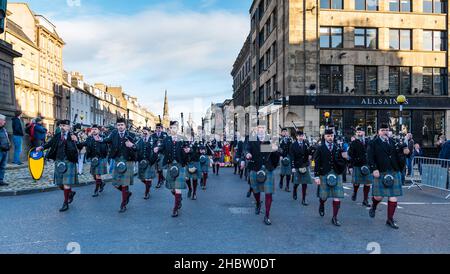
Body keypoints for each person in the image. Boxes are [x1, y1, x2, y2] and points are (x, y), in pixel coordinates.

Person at [367, 123, 409, 229]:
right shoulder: (373, 143)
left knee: (393, 196)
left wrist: (406, 149)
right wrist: (373, 169)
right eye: (382, 129)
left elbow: (402, 148)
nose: (385, 131)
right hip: (380, 171)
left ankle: (389, 219)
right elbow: (370, 157)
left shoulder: (393, 141)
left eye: (386, 129)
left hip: (394, 171)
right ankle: (374, 206)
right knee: (379, 196)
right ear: (378, 132)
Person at [36, 120, 79, 212]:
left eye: (65, 125)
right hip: (59, 161)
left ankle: (65, 203)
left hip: (69, 161)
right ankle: (70, 193)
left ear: (69, 127)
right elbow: (50, 143)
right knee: (59, 184)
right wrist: (42, 147)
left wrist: (76, 140)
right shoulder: (57, 136)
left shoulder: (73, 135)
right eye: (61, 125)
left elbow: (79, 146)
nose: (62, 127)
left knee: (66, 183)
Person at [97, 118, 137, 213]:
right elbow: (106, 140)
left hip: (128, 160)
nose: (120, 127)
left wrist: (132, 145)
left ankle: (123, 204)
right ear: (116, 126)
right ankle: (127, 194)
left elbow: (137, 147)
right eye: (118, 125)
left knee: (124, 184)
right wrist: (100, 139)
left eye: (122, 125)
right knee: (115, 183)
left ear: (125, 126)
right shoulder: (114, 134)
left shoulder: (131, 135)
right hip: (117, 160)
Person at [245, 124, 280, 225]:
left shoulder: (271, 139)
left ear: (265, 129)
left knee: (268, 193)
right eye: (259, 128)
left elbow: (277, 151)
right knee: (255, 190)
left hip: (267, 168)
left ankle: (267, 215)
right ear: (256, 129)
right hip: (255, 167)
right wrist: (247, 154)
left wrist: (276, 149)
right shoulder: (251, 139)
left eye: (263, 128)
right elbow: (247, 148)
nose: (261, 129)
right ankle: (257, 203)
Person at [313, 128, 347, 227]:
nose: (330, 137)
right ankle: (322, 204)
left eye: (331, 136)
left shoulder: (338, 147)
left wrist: (344, 159)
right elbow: (317, 163)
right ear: (324, 137)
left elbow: (343, 161)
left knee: (337, 197)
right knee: (323, 196)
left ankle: (335, 217)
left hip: (336, 173)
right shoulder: (320, 148)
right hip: (324, 173)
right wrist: (316, 176)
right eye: (328, 136)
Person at [157, 121, 187, 217]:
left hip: (179, 165)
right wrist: (157, 149)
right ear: (169, 129)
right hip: (170, 165)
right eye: (171, 127)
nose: (173, 129)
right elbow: (162, 148)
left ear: (177, 129)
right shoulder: (166, 139)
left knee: (178, 187)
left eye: (175, 127)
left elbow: (187, 150)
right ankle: (179, 198)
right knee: (172, 188)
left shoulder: (182, 139)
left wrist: (187, 151)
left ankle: (175, 208)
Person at [77, 124, 108, 197]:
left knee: (97, 175)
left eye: (95, 129)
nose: (94, 130)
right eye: (93, 129)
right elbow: (83, 144)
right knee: (94, 175)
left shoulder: (103, 138)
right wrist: (77, 142)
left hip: (100, 158)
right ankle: (101, 183)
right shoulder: (89, 138)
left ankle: (96, 190)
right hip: (93, 159)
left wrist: (101, 141)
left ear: (99, 131)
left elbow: (106, 148)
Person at [348, 127, 373, 207]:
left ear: (364, 133)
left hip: (367, 165)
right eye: (358, 132)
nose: (359, 133)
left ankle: (365, 200)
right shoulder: (354, 143)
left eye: (361, 132)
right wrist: (350, 166)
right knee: (356, 183)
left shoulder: (369, 142)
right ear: (356, 134)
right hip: (357, 165)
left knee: (368, 183)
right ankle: (355, 192)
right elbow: (350, 155)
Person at [290, 130, 313, 206]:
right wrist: (292, 167)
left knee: (304, 183)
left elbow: (309, 152)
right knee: (297, 183)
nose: (301, 137)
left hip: (304, 165)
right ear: (296, 137)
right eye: (299, 136)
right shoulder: (293, 145)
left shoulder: (306, 143)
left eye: (302, 136)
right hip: (297, 165)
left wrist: (310, 153)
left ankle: (303, 199)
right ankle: (295, 189)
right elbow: (292, 157)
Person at [137, 127, 158, 200]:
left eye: (146, 131)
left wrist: (153, 161)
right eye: (143, 131)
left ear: (149, 132)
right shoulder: (140, 140)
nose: (144, 133)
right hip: (141, 161)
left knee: (148, 178)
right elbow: (137, 149)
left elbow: (156, 151)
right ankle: (148, 185)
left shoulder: (154, 140)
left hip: (149, 161)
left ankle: (147, 193)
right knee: (142, 178)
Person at [151, 123, 167, 188]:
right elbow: (151, 143)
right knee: (157, 168)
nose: (158, 129)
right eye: (157, 127)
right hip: (155, 153)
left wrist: (160, 148)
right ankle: (162, 177)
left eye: (159, 128)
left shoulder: (164, 135)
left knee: (160, 167)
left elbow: (166, 144)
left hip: (162, 153)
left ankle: (159, 182)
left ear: (162, 128)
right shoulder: (153, 135)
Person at [279, 128, 293, 192]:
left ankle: (287, 186)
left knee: (288, 173)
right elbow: (278, 148)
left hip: (289, 157)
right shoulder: (279, 139)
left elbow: (292, 147)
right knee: (282, 172)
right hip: (282, 156)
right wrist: (280, 155)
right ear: (281, 132)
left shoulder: (290, 139)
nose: (285, 132)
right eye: (283, 131)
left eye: (286, 131)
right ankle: (281, 180)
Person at [0, 114, 11, 187]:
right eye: (3, 120)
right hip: (0, 150)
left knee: (3, 166)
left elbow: (6, 138)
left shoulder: (4, 129)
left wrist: (9, 144)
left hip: (5, 150)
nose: (5, 121)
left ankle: (0, 180)